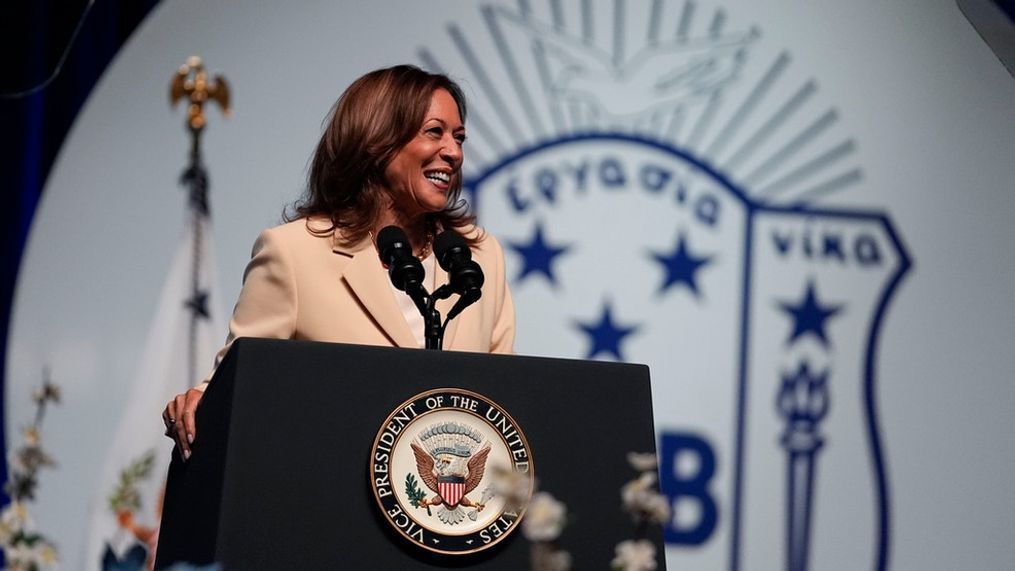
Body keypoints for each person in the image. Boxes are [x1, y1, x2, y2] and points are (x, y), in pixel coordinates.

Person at [162, 65, 516, 459]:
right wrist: (201, 400)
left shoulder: (480, 256)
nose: (454, 152)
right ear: (375, 140)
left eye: (459, 137)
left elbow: (506, 400)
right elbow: (240, 383)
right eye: (435, 132)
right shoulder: (293, 253)